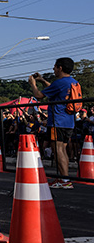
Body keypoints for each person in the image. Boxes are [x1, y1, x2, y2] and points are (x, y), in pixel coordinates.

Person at [29, 57, 81, 189]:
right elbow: (53, 89)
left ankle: (65, 180)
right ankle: (63, 177)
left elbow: (40, 96)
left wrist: (33, 84)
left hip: (57, 121)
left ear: (60, 68)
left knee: (57, 150)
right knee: (62, 150)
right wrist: (42, 80)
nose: (53, 69)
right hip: (68, 122)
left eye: (55, 67)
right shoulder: (72, 82)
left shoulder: (60, 82)